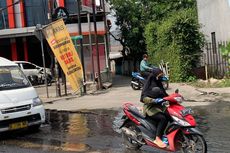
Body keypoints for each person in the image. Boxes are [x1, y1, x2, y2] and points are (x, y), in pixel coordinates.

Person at [140, 67, 168, 148]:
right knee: (163, 118)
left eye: (161, 76)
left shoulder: (158, 83)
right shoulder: (148, 85)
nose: (160, 77)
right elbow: (143, 98)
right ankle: (157, 138)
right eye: (159, 76)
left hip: (159, 106)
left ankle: (165, 134)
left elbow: (164, 94)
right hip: (149, 107)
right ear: (155, 75)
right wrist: (154, 100)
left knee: (170, 115)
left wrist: (173, 98)